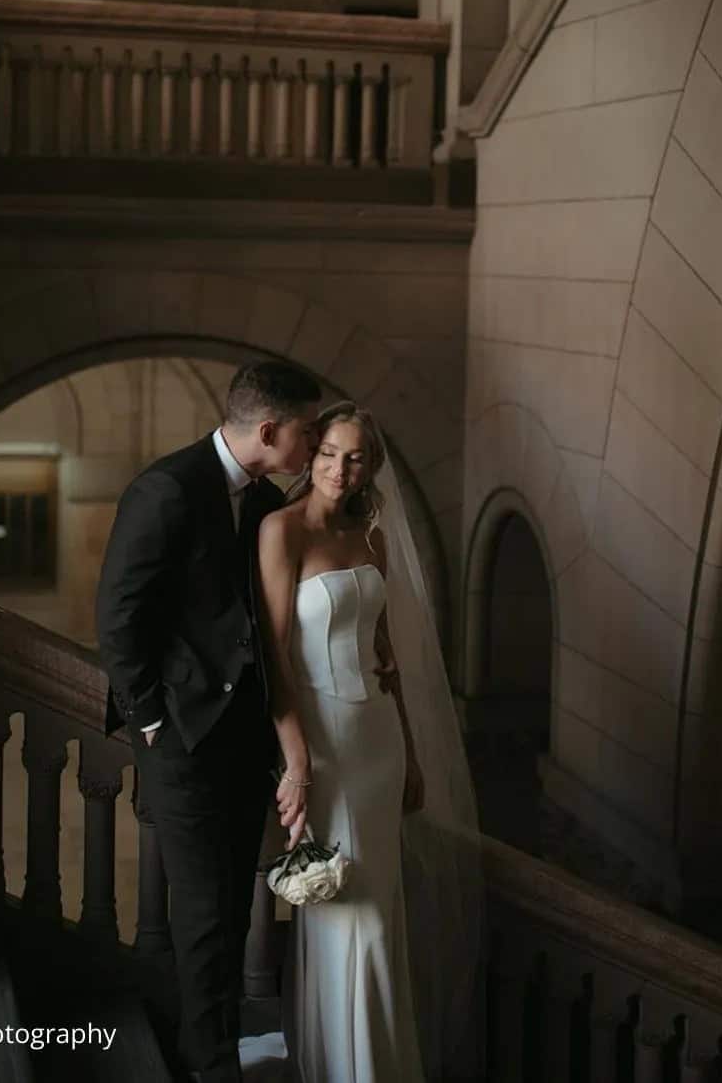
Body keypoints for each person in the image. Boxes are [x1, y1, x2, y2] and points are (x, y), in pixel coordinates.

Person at [96, 361, 321, 1083]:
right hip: (180, 740)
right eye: (307, 431)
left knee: (231, 901)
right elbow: (119, 617)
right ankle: (212, 1064)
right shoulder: (166, 489)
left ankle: (212, 1046)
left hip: (244, 736)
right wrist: (151, 723)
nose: (312, 444)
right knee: (199, 912)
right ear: (268, 430)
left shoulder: (261, 500)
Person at [257, 402, 482, 1083]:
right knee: (351, 912)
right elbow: (273, 657)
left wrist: (411, 751)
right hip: (323, 746)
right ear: (312, 452)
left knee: (381, 908)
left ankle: (378, 1063)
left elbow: (388, 659)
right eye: (327, 451)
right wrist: (295, 762)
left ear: (370, 467)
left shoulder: (372, 538)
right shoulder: (281, 530)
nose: (337, 468)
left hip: (379, 740)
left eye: (354, 457)